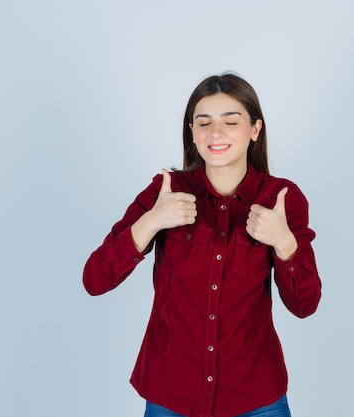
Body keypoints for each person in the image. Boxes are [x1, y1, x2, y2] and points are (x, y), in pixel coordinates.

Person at [83, 73, 322, 417]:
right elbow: (94, 279)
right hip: (171, 394)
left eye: (231, 121)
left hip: (254, 397)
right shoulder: (165, 190)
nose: (216, 132)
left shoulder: (281, 198)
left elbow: (305, 304)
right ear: (192, 132)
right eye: (204, 122)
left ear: (255, 129)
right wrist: (151, 221)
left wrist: (285, 243)